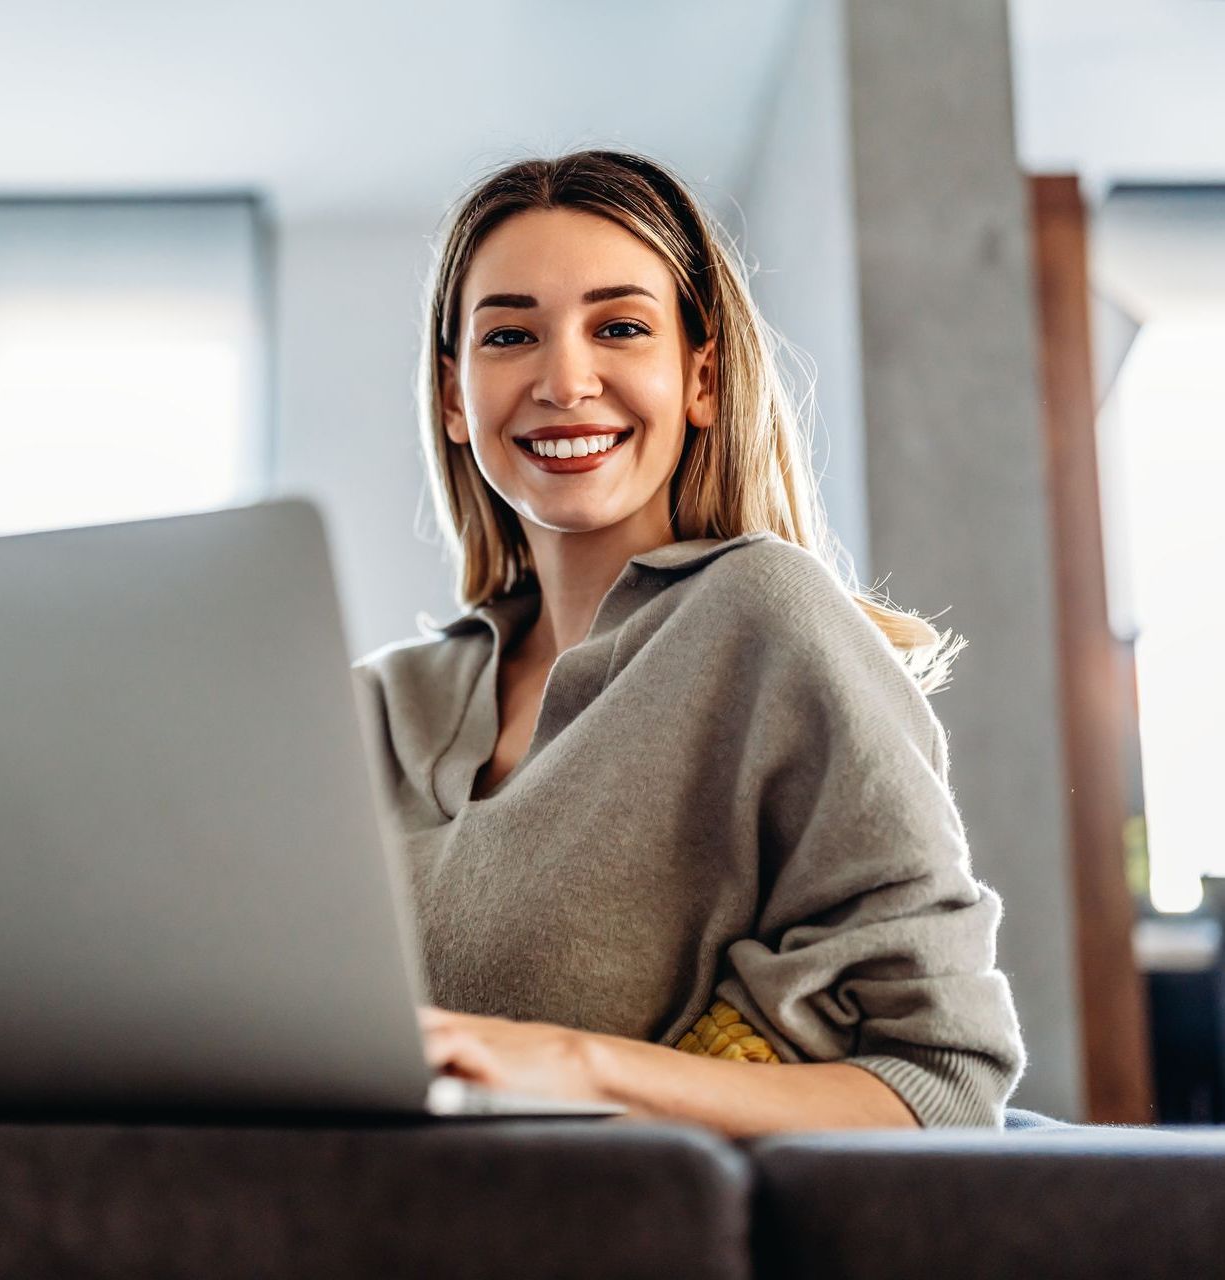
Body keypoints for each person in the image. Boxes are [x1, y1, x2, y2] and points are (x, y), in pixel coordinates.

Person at [349, 149, 1027, 1134]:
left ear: (699, 377)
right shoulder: (378, 702)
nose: (563, 379)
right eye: (508, 336)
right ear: (454, 396)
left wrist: (578, 1063)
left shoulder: (765, 618)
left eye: (620, 327)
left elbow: (943, 1081)